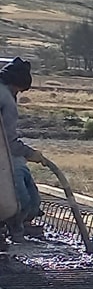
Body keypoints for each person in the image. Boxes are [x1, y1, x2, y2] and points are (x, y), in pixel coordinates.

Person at [1, 57, 46, 243]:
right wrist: (30, 153)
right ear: (16, 85)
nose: (18, 94)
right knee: (23, 200)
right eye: (19, 90)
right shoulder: (7, 101)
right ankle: (16, 229)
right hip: (4, 158)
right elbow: (9, 142)